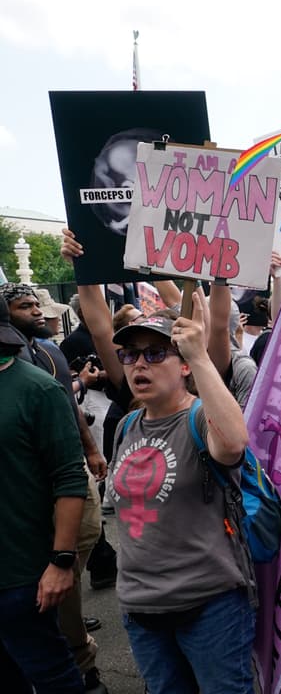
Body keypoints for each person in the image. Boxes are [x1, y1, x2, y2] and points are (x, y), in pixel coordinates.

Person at [107, 306, 256, 693]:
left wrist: (201, 354)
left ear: (184, 365)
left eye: (156, 353)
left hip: (209, 606)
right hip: (141, 607)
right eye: (131, 354)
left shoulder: (201, 419)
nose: (140, 364)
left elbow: (234, 443)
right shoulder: (126, 426)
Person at [3, 282, 111, 692]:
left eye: (38, 305)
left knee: (64, 579)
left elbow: (66, 406)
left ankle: (82, 662)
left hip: (51, 511)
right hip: (22, 522)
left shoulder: (43, 365)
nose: (36, 312)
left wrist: (61, 560)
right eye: (25, 305)